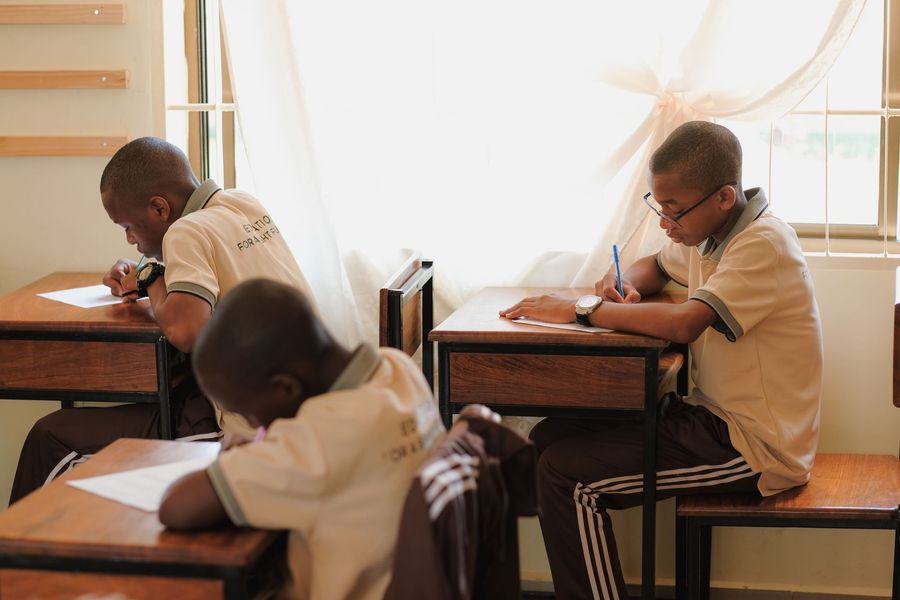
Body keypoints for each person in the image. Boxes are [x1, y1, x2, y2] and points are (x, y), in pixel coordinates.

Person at [500, 121, 823, 599]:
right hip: (711, 416)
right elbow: (652, 265)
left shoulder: (762, 244)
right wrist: (620, 279)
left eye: (674, 209)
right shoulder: (708, 237)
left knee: (566, 474)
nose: (664, 222)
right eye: (658, 205)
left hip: (755, 446)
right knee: (548, 436)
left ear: (724, 198)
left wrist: (583, 309)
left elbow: (686, 323)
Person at [9, 137, 317, 504]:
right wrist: (147, 271)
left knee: (50, 437)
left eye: (128, 225)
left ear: (159, 208)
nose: (129, 239)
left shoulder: (186, 231)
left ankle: (25, 556)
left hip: (241, 425)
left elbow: (187, 330)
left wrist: (151, 277)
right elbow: (212, 276)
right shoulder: (239, 202)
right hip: (295, 407)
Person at [159, 278, 444, 600]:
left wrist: (244, 459)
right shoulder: (397, 369)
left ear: (285, 387)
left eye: (248, 412)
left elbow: (176, 507)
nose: (252, 424)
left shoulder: (315, 443)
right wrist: (270, 450)